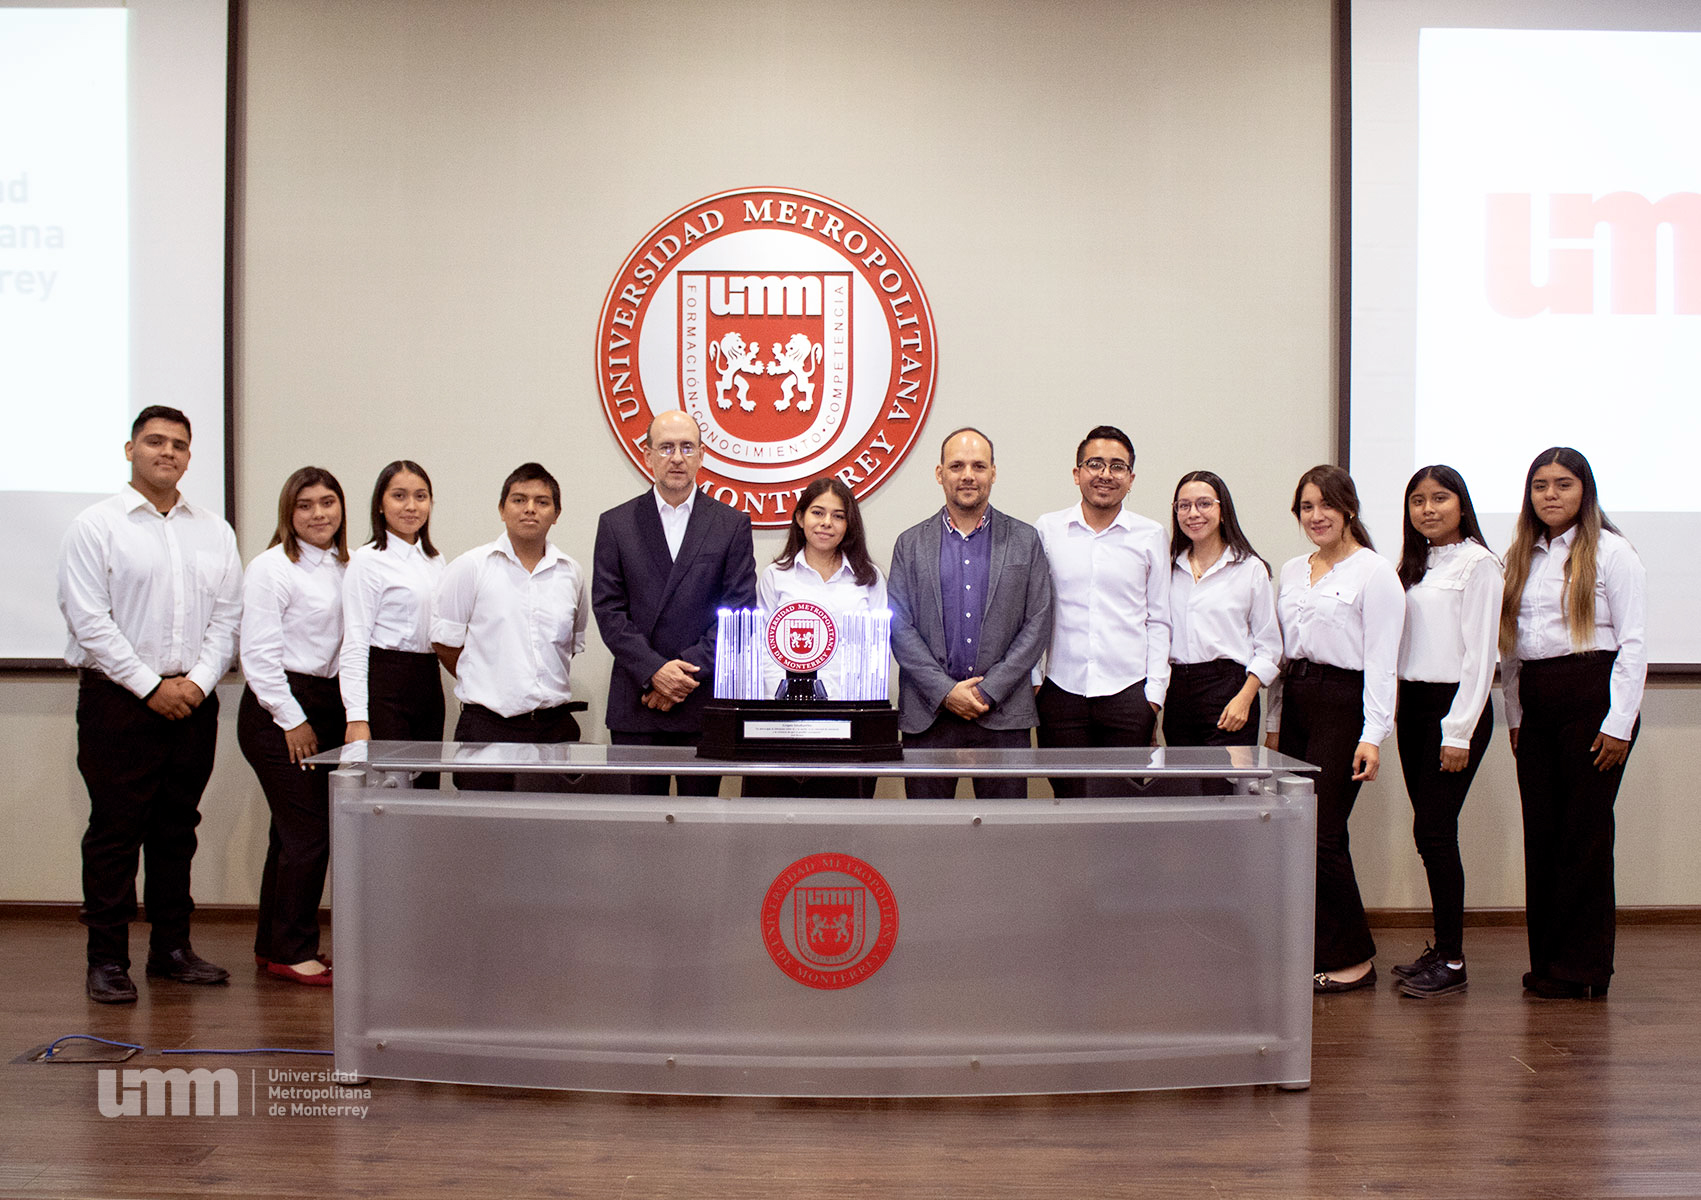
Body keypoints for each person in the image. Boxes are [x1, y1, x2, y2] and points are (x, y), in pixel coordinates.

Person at [57, 406, 242, 1003]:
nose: (169, 451)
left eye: (180, 444)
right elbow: (88, 619)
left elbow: (228, 618)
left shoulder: (214, 530)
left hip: (193, 700)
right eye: (155, 441)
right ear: (130, 449)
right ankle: (107, 959)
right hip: (118, 701)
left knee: (176, 828)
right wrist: (149, 685)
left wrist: (199, 680)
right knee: (115, 831)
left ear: (189, 456)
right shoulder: (96, 526)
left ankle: (171, 949)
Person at [1501, 447, 1645, 1000]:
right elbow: (1513, 652)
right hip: (1538, 702)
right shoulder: (1522, 556)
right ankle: (1549, 964)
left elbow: (1633, 644)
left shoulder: (1612, 552)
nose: (1551, 495)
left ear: (1584, 490)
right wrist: (1516, 717)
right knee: (1541, 834)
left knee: (1582, 836)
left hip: (1594, 697)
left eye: (1563, 484)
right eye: (1540, 485)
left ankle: (1585, 969)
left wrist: (1619, 724)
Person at [1264, 464, 1403, 994]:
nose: (1315, 516)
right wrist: (1274, 723)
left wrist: (1373, 735)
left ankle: (1353, 959)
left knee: (1321, 833)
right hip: (1297, 700)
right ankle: (1314, 946)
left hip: (1344, 705)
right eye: (1305, 507)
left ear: (1348, 508)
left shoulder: (1374, 572)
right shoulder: (1294, 569)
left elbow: (1381, 661)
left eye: (1325, 505)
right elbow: (1281, 653)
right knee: (1300, 832)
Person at [593, 411, 757, 796]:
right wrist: (655, 672)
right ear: (647, 455)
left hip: (701, 700)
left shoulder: (730, 524)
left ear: (702, 456)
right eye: (666, 447)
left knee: (699, 833)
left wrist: (680, 677)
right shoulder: (616, 524)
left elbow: (740, 613)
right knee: (636, 832)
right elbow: (608, 610)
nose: (677, 458)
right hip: (637, 702)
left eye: (687, 447)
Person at [889, 427, 1053, 799]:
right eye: (957, 465)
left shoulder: (1025, 541)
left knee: (1005, 840)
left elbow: (1038, 622)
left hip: (1004, 714)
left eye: (979, 466)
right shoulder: (910, 543)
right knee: (928, 834)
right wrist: (946, 692)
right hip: (928, 717)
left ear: (993, 472)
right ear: (939, 473)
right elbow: (900, 627)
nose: (968, 475)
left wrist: (988, 690)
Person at [1388, 465, 1501, 999]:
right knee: (1427, 833)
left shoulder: (1480, 564)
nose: (1427, 509)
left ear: (1462, 505)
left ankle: (1453, 960)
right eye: (1417, 500)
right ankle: (1442, 946)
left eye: (1440, 498)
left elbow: (1482, 657)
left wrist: (1458, 731)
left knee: (1436, 832)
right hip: (1413, 708)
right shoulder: (1414, 564)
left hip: (1452, 710)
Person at [238, 467, 348, 987]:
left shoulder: (346, 566)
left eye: (328, 502)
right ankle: (293, 951)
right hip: (279, 707)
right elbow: (257, 655)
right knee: (308, 834)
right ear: (289, 512)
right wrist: (292, 719)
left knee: (287, 836)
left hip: (325, 705)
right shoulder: (271, 567)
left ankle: (271, 944)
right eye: (306, 505)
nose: (319, 513)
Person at [432, 463, 589, 792]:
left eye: (542, 501)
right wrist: (489, 682)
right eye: (519, 499)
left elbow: (568, 647)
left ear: (557, 513)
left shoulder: (571, 573)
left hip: (554, 730)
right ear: (502, 509)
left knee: (552, 833)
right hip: (487, 728)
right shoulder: (471, 567)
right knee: (487, 835)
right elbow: (446, 644)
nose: (530, 508)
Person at [1032, 425, 1171, 797]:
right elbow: (1032, 612)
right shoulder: (1048, 529)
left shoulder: (1150, 535)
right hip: (1061, 690)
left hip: (1128, 695)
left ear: (1131, 478)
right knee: (1068, 797)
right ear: (1077, 473)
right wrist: (1034, 680)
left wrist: (1153, 695)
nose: (1105, 474)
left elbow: (1159, 619)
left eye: (1117, 466)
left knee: (1122, 804)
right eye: (1095, 464)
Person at [746, 478, 888, 799]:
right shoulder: (776, 576)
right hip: (784, 722)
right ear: (800, 518)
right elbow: (764, 651)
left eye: (838, 515)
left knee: (840, 829)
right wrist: (782, 704)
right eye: (817, 513)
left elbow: (877, 649)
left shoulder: (869, 578)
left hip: (850, 722)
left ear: (849, 524)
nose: (827, 523)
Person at [340, 461, 446, 787]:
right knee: (391, 792)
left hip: (428, 681)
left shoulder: (435, 560)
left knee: (426, 789)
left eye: (420, 496)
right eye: (399, 496)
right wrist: (357, 717)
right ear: (381, 504)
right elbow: (355, 641)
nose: (411, 506)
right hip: (387, 684)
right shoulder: (368, 560)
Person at [1164, 470, 1279, 766]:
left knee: (1229, 790)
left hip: (1229, 690)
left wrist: (1245, 698)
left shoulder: (1249, 568)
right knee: (1185, 792)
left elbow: (1269, 647)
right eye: (1184, 505)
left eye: (1204, 504)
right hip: (1178, 692)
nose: (1193, 513)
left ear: (1222, 510)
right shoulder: (1168, 568)